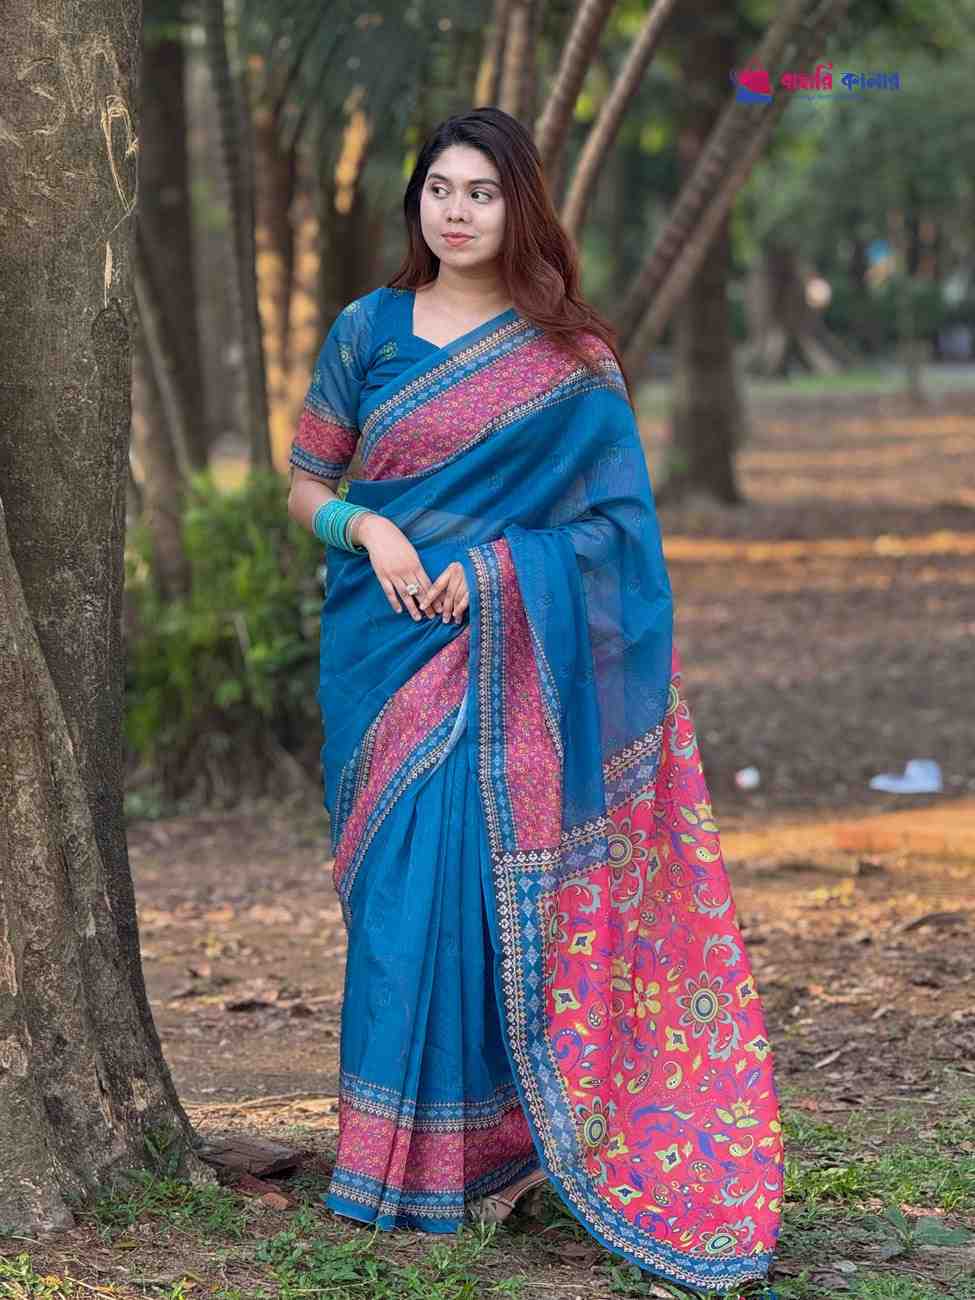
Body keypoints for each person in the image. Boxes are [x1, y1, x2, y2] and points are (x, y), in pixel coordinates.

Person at [287, 106, 782, 1296]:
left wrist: (499, 571)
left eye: (481, 192)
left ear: (520, 206)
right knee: (398, 893)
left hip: (500, 653)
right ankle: (387, 1158)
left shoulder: (570, 358)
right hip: (382, 649)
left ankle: (490, 1155)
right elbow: (305, 483)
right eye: (439, 189)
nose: (455, 212)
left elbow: (618, 536)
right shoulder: (367, 330)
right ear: (415, 200)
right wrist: (372, 530)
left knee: (475, 886)